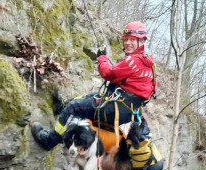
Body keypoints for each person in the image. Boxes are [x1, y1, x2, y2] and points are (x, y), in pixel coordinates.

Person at [31, 21, 156, 151]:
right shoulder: (149, 62)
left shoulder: (133, 61)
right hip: (129, 110)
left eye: (132, 40)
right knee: (86, 98)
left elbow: (107, 73)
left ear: (141, 41)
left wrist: (102, 57)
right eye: (126, 39)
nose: (128, 43)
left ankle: (49, 140)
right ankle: (68, 125)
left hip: (116, 109)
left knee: (74, 106)